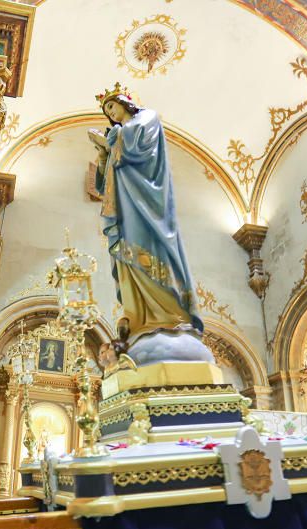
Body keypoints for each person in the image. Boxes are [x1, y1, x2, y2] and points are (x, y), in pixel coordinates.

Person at [88, 84, 204, 340]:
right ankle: (139, 318)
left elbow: (138, 149)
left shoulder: (147, 118)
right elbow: (108, 174)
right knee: (126, 254)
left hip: (146, 200)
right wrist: (103, 154)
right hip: (123, 202)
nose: (111, 113)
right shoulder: (118, 133)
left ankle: (172, 316)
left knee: (149, 249)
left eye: (112, 106)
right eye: (107, 111)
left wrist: (112, 140)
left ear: (124, 102)